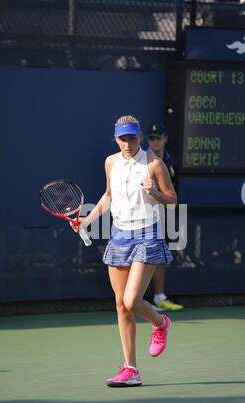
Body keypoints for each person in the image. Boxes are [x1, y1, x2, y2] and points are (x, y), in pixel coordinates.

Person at [70, 115, 176, 387]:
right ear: (115, 140)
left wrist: (154, 193)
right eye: (123, 139)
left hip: (147, 235)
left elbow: (172, 201)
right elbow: (108, 196)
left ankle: (160, 322)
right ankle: (131, 370)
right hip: (119, 237)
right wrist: (86, 220)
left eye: (132, 138)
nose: (128, 143)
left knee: (131, 301)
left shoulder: (154, 164)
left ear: (139, 137)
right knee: (121, 306)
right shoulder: (111, 162)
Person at [146, 123, 184, 312]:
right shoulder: (141, 161)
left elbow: (172, 192)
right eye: (151, 138)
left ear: (165, 139)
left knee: (159, 256)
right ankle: (131, 301)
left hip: (163, 215)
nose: (155, 141)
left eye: (158, 138)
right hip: (141, 218)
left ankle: (159, 298)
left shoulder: (171, 162)